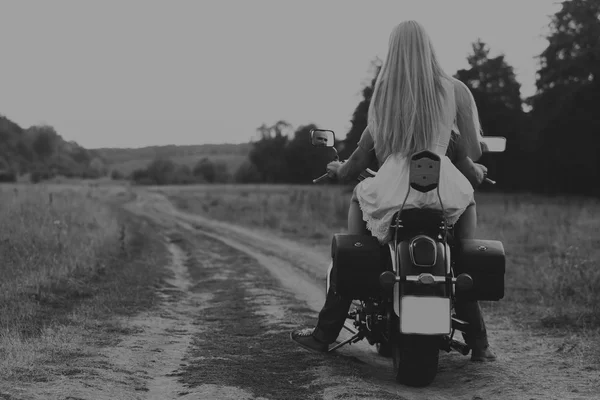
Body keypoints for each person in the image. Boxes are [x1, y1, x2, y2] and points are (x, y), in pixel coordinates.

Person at [291, 20, 496, 362]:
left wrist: (338, 170)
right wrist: (473, 168)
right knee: (460, 259)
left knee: (356, 247)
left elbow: (358, 160)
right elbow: (468, 154)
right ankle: (481, 344)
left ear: (394, 52)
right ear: (429, 48)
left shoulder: (386, 94)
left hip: (394, 184)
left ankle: (325, 332)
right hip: (444, 185)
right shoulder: (455, 90)